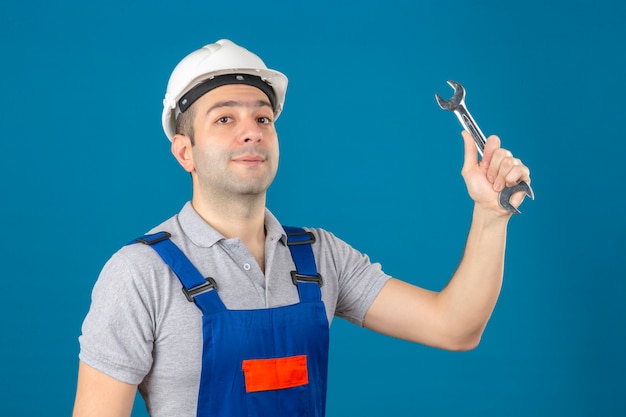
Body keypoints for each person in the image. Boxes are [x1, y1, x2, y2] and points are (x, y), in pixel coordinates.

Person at [72, 39, 532, 417]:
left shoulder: (318, 255)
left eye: (262, 118)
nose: (250, 131)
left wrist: (491, 215)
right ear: (184, 152)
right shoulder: (140, 274)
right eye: (225, 119)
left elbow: (455, 328)